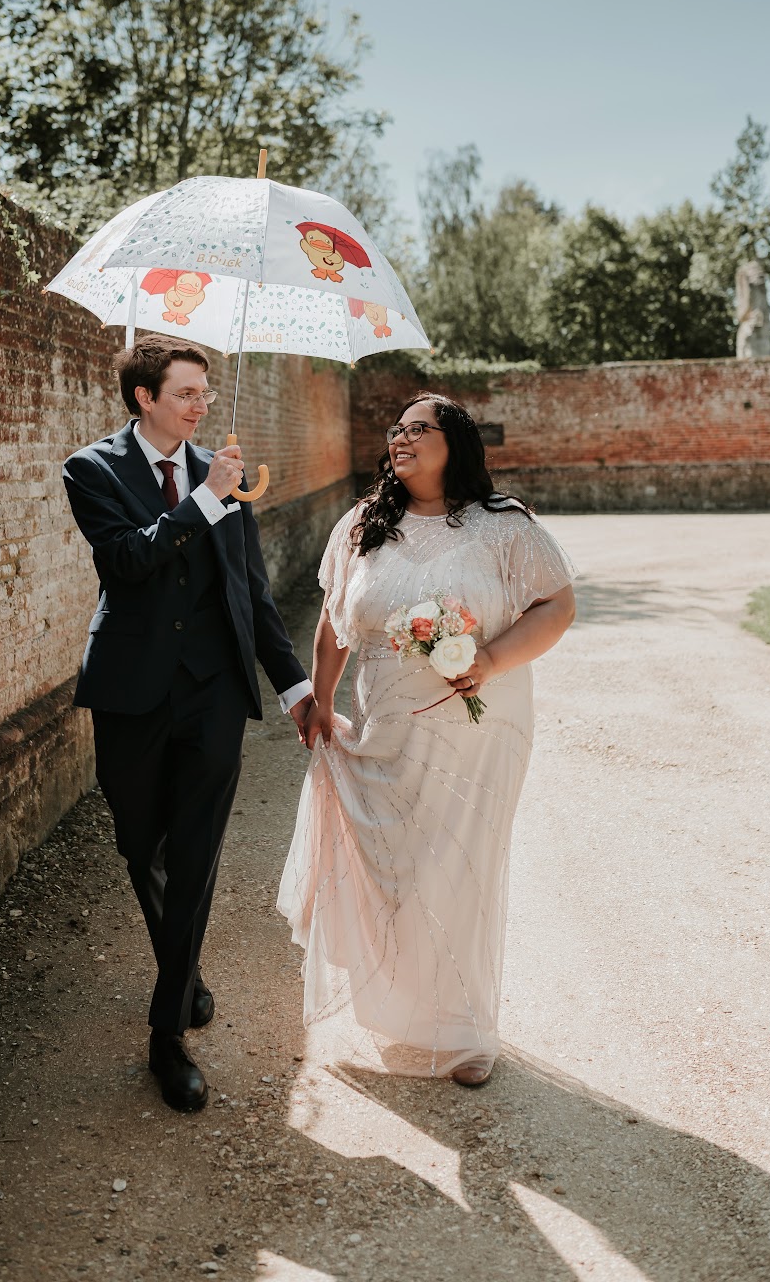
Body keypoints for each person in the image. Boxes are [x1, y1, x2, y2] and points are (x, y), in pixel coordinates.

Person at [278, 392, 576, 1086]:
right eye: (396, 429)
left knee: (456, 869)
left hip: (475, 726)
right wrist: (321, 699)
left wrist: (490, 659)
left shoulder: (504, 527)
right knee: (396, 866)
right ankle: (404, 1002)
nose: (401, 438)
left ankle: (465, 1030)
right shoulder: (363, 525)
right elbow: (334, 621)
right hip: (384, 723)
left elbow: (556, 605)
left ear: (455, 444)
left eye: (419, 428)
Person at [63, 336, 313, 1113]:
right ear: (144, 398)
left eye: (205, 391)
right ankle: (185, 966)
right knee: (142, 847)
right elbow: (126, 562)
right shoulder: (92, 470)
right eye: (185, 393)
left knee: (197, 855)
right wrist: (204, 500)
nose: (201, 404)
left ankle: (166, 1033)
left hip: (213, 695)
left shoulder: (225, 473)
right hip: (130, 692)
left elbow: (251, 593)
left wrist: (296, 687)